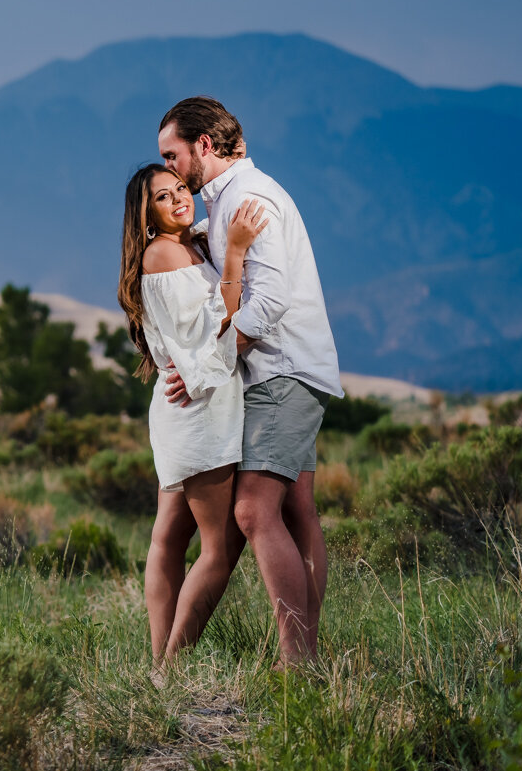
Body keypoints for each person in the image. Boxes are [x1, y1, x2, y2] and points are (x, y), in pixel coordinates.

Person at [157, 96, 343, 666]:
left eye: (171, 155)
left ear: (203, 147)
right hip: (291, 369)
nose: (168, 167)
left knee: (253, 511)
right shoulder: (230, 202)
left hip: (280, 371)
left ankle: (298, 665)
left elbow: (270, 302)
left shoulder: (250, 197)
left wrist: (212, 361)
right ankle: (307, 660)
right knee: (296, 511)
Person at [118, 163, 269, 665]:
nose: (180, 198)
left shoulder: (186, 244)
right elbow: (212, 328)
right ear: (146, 217)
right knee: (220, 545)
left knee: (170, 535)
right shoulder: (163, 255)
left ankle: (160, 665)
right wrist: (236, 253)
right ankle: (171, 668)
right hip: (199, 409)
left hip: (186, 404)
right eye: (164, 197)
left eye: (181, 187)